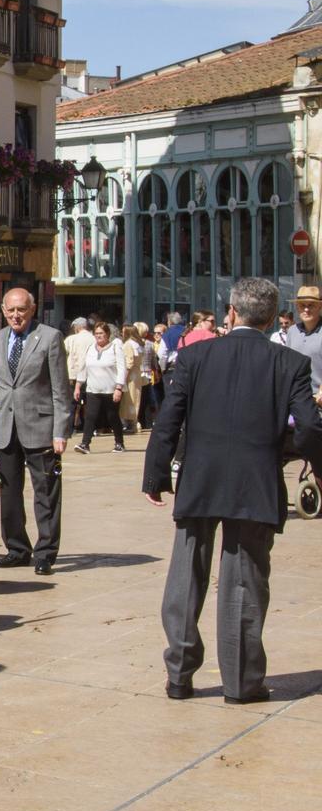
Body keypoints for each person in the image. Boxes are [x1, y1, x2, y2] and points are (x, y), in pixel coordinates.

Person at [145, 278, 322, 704]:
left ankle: (179, 675)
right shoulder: (290, 363)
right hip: (254, 483)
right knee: (244, 582)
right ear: (271, 317)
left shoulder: (195, 356)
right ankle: (241, 683)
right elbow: (309, 426)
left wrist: (156, 475)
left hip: (200, 479)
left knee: (186, 577)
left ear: (231, 312)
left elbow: (168, 419)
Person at [0, 287, 73, 576]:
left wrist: (60, 431)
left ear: (32, 309)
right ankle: (17, 549)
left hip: (41, 428)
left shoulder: (50, 338)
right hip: (6, 428)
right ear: (3, 311)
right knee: (9, 493)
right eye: (11, 310)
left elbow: (60, 389)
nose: (16, 315)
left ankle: (46, 553)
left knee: (46, 493)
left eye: (21, 310)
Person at [75, 321, 128, 454]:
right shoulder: (90, 348)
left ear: (107, 334)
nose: (98, 336)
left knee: (112, 416)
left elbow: (122, 368)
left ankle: (119, 443)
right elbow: (83, 367)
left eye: (101, 333)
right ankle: (85, 444)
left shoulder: (115, 348)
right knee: (90, 416)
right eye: (96, 333)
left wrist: (119, 388)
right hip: (93, 389)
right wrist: (78, 386)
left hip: (111, 390)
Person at [273, 285, 322, 400]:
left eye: (311, 305)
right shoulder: (292, 331)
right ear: (297, 307)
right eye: (302, 305)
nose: (306, 309)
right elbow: (287, 365)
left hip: (318, 398)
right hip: (295, 397)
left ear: (320, 306)